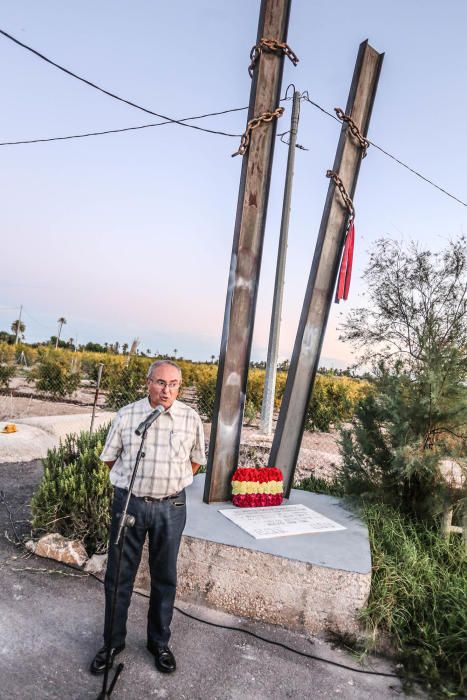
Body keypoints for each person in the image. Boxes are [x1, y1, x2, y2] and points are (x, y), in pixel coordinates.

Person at [90, 360, 206, 675]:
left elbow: (195, 462)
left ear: (179, 387)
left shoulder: (189, 418)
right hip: (130, 504)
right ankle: (111, 644)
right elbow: (110, 458)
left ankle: (159, 643)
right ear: (148, 383)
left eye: (173, 384)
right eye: (160, 383)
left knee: (164, 577)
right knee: (119, 576)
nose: (166, 390)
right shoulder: (128, 415)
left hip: (171, 508)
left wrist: (168, 487)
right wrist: (136, 487)